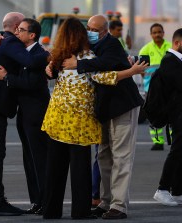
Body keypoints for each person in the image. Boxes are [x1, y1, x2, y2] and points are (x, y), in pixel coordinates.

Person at [41, 16, 147, 220]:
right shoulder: (71, 55)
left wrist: (131, 70)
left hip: (117, 107)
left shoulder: (105, 46)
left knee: (120, 157)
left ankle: (117, 206)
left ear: (105, 31)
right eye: (86, 28)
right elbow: (101, 76)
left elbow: (105, 66)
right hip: (83, 119)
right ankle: (100, 204)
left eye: (93, 29)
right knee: (101, 158)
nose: (89, 31)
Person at [0, 12, 47, 216]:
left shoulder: (3, 40)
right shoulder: (10, 42)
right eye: (20, 27)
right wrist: (50, 55)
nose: (20, 30)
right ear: (15, 28)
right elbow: (31, 62)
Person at [152, 28, 182, 206]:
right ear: (177, 43)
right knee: (176, 152)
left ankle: (177, 190)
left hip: (178, 114)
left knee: (180, 152)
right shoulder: (170, 62)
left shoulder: (176, 61)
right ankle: (162, 189)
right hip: (177, 115)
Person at [139, 23, 172, 151]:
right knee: (154, 115)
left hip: (170, 88)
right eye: (155, 32)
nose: (157, 34)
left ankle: (173, 140)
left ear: (163, 33)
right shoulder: (145, 50)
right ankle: (158, 142)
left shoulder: (171, 47)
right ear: (151, 34)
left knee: (172, 115)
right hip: (152, 90)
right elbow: (141, 70)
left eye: (159, 32)